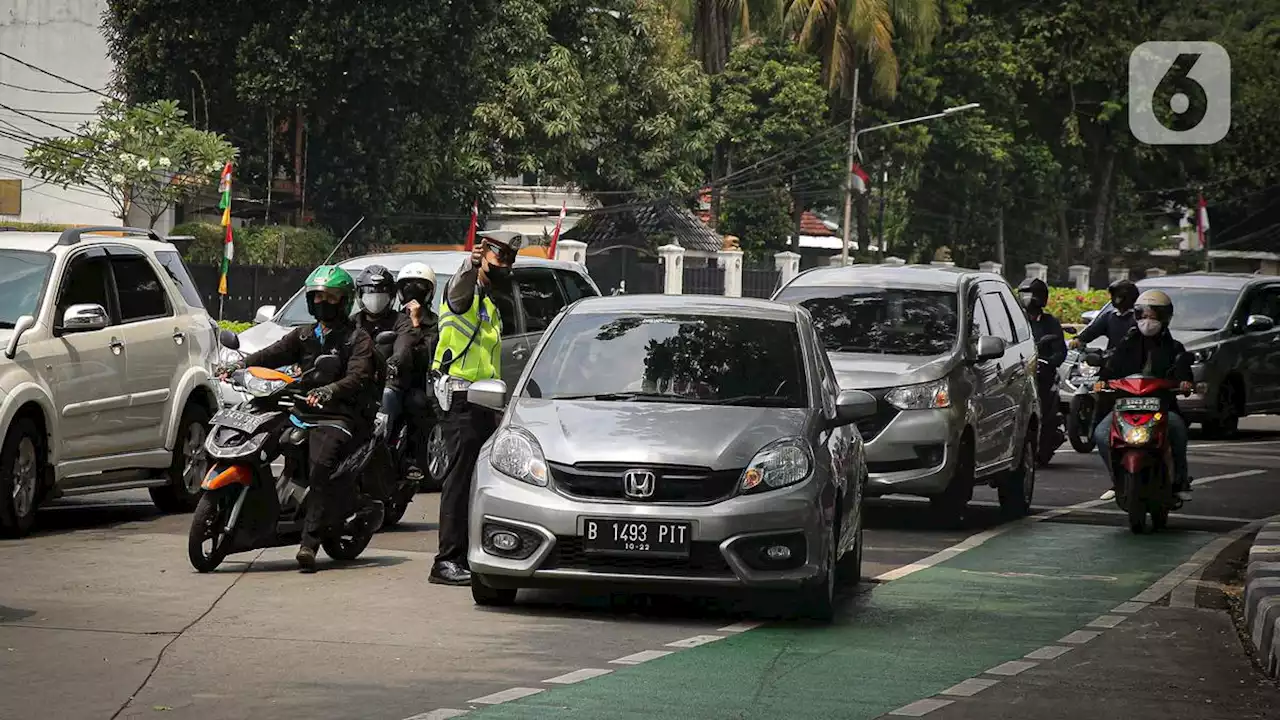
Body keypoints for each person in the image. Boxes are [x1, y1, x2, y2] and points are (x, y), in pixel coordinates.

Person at [216, 265, 381, 573]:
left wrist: (331, 390)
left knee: (320, 469)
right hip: (301, 409)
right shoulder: (304, 334)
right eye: (317, 296)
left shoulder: (356, 339)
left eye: (331, 297)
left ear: (345, 301)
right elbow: (271, 354)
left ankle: (309, 542)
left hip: (337, 416)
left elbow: (358, 376)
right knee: (259, 445)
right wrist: (239, 365)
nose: (322, 302)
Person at [429, 231, 521, 586]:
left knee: (477, 482)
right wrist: (470, 262)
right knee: (459, 480)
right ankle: (445, 560)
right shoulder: (463, 294)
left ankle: (469, 554)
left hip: (485, 403)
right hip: (461, 400)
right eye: (500, 260)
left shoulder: (490, 304)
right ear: (483, 258)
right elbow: (456, 290)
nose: (506, 267)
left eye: (510, 262)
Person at [1091, 289, 1194, 502]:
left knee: (1178, 430)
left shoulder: (1174, 347)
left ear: (1164, 317)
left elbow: (1183, 368)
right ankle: (1117, 480)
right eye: (1143, 315)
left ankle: (1180, 480)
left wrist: (1184, 382)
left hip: (1161, 407)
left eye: (1153, 316)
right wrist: (1102, 380)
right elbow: (1111, 365)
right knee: (1101, 434)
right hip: (1125, 407)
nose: (1148, 321)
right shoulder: (1126, 343)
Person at [352, 264, 417, 434]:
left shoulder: (401, 321)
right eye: (369, 294)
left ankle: (381, 440)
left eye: (381, 294)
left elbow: (404, 345)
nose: (375, 299)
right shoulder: (352, 323)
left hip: (388, 383)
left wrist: (394, 363)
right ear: (360, 296)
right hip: (357, 381)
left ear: (391, 296)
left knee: (388, 394)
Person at [395, 262, 439, 479]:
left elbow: (423, 356)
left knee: (416, 403)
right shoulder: (392, 320)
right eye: (407, 287)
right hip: (388, 379)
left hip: (417, 383)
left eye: (419, 287)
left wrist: (414, 323)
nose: (412, 292)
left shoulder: (434, 324)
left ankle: (413, 459)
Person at [1018, 278, 1067, 432]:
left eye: (1030, 295)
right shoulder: (1017, 322)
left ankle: (1047, 424)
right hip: (1021, 372)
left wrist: (1050, 362)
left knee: (1045, 402)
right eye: (1024, 295)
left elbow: (1060, 351)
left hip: (1042, 373)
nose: (1026, 299)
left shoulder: (1050, 322)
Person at [1070, 278, 1139, 350]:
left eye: (1118, 297)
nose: (1113, 299)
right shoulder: (1110, 317)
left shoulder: (1140, 318)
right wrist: (1078, 340)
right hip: (1113, 358)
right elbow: (1093, 330)